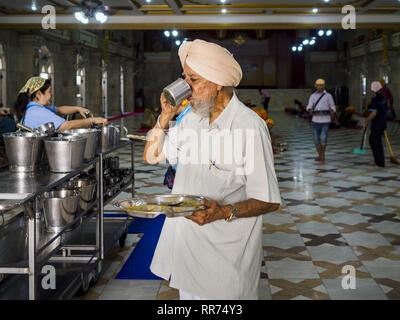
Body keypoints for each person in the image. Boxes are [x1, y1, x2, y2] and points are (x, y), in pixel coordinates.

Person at [143, 39, 281, 300]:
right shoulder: (192, 121)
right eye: (184, 79)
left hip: (223, 263)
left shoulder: (248, 128)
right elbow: (151, 156)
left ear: (218, 82)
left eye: (193, 80)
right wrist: (164, 117)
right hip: (186, 254)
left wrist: (223, 212)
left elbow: (268, 200)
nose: (186, 88)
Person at [14, 77, 108, 131]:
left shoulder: (33, 107)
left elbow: (59, 110)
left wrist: (78, 109)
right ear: (39, 94)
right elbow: (65, 126)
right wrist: (92, 120)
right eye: (49, 91)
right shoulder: (37, 111)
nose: (51, 94)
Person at [306, 78, 336, 162]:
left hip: (325, 120)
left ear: (324, 86)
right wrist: (310, 110)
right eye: (318, 85)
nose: (320, 87)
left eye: (321, 85)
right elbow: (309, 106)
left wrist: (332, 111)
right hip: (315, 120)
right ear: (316, 86)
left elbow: (333, 106)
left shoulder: (328, 96)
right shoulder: (313, 96)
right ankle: (320, 155)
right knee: (316, 139)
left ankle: (322, 156)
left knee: (323, 138)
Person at [365, 81, 387, 167]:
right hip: (382, 123)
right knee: (378, 142)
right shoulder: (383, 98)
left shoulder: (375, 99)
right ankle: (380, 161)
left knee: (373, 141)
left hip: (377, 124)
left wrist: (367, 119)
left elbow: (374, 113)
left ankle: (379, 162)